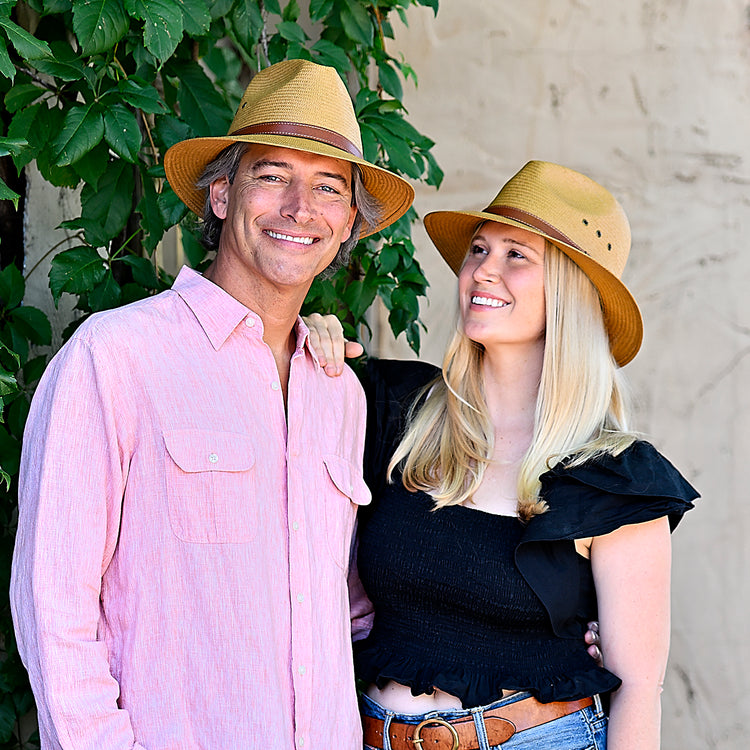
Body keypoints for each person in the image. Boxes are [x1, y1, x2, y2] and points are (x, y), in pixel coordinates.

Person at [9, 59, 416, 750]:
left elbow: (344, 608)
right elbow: (54, 608)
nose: (299, 208)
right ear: (222, 195)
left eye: (326, 187)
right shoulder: (116, 358)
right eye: (272, 176)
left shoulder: (338, 391)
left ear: (348, 221)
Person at [306, 160, 699, 750]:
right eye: (479, 251)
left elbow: (640, 688)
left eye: (517, 256)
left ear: (569, 295)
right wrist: (307, 342)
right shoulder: (394, 409)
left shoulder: (615, 478)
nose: (482, 271)